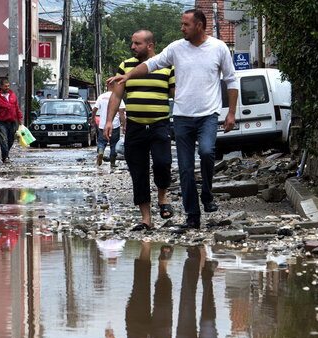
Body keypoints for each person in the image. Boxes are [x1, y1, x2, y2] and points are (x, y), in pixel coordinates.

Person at [108, 9, 238, 229]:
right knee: (186, 169)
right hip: (181, 117)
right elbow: (151, 64)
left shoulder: (219, 48)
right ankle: (192, 217)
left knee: (206, 152)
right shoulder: (176, 48)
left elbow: (231, 81)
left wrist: (232, 113)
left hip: (208, 114)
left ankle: (207, 195)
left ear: (199, 26)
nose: (182, 28)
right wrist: (128, 75)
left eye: (186, 24)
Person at [104, 30, 175, 231]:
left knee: (163, 163)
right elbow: (116, 97)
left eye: (137, 44)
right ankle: (146, 219)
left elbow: (177, 94)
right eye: (132, 43)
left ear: (150, 46)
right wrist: (109, 121)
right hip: (135, 127)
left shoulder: (167, 66)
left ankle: (163, 197)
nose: (132, 47)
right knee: (138, 172)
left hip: (159, 125)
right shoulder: (125, 66)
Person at [0, 78, 23, 164]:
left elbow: (17, 108)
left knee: (10, 140)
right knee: (4, 139)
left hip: (12, 121)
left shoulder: (12, 95)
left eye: (8, 86)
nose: (7, 87)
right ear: (1, 86)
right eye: (5, 86)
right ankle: (6, 157)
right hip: (1, 122)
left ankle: (5, 154)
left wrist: (20, 118)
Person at [91, 82, 126, 168]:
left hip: (103, 125)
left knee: (101, 142)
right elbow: (122, 113)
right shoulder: (118, 97)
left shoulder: (101, 97)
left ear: (107, 86)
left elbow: (94, 109)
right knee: (113, 144)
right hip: (115, 126)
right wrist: (124, 125)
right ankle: (113, 163)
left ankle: (101, 152)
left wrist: (93, 119)